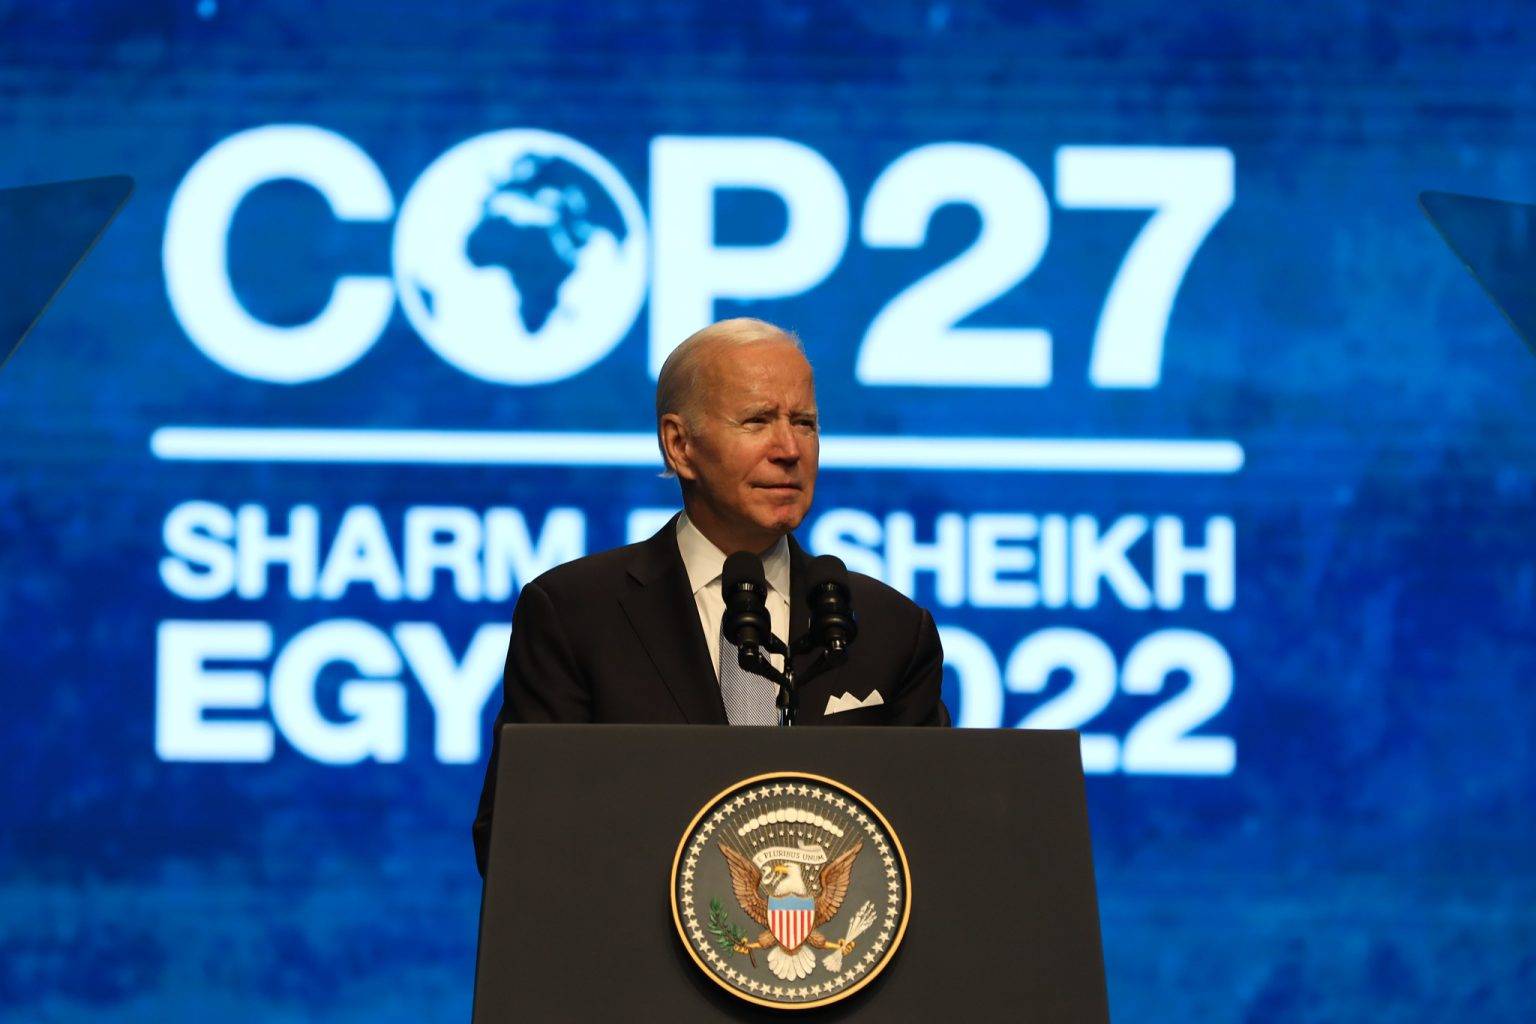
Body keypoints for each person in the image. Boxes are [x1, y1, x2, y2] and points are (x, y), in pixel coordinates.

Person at [473, 318, 948, 875]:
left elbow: (935, 841)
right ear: (680, 445)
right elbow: (520, 841)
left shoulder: (889, 627)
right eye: (757, 421)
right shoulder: (575, 615)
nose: (789, 449)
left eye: (804, 422)